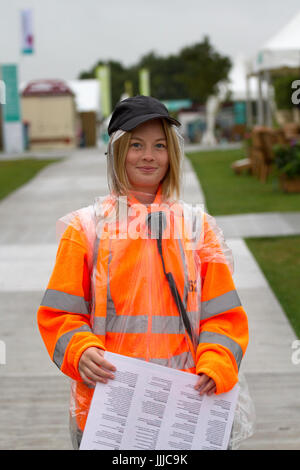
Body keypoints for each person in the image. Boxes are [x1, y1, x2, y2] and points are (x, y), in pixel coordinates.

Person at [37, 95, 249, 450]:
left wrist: (217, 361)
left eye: (159, 146)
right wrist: (78, 348)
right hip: (108, 408)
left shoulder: (198, 228)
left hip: (187, 405)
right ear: (117, 152)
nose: (148, 155)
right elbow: (59, 314)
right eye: (136, 145)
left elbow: (223, 315)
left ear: (172, 154)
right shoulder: (85, 229)